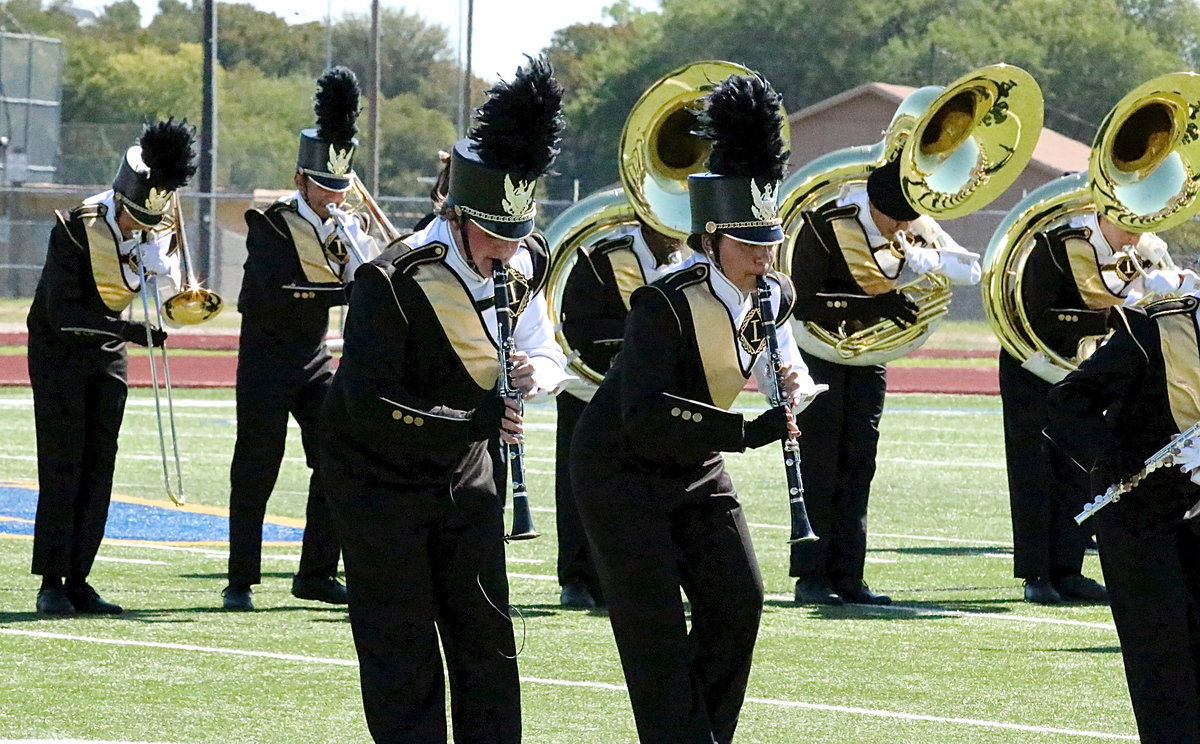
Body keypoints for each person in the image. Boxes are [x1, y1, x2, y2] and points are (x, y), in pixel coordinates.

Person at [320, 57, 570, 742]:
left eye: (517, 235)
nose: (507, 250)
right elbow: (369, 403)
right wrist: (473, 416)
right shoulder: (391, 279)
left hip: (467, 474)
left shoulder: (524, 259)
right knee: (402, 653)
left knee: (488, 640)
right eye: (493, 234)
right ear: (454, 214)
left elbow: (551, 354)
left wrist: (531, 378)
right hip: (379, 483)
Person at [571, 72, 819, 743]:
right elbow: (643, 411)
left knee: (740, 600)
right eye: (749, 242)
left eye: (771, 241)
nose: (765, 255)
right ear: (710, 239)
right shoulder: (663, 304)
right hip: (620, 471)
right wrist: (743, 431)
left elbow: (775, 359)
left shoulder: (777, 291)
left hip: (696, 465)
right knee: (652, 628)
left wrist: (792, 389)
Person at [788, 157, 980, 606]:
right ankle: (811, 577)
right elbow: (805, 301)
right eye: (895, 219)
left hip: (870, 357)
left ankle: (849, 575)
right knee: (819, 464)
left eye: (909, 219)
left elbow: (971, 271)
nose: (902, 227)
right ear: (874, 205)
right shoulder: (827, 223)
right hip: (820, 355)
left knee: (860, 463)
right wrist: (874, 307)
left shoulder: (914, 222)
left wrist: (928, 255)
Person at [222, 67, 378, 612]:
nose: (333, 196)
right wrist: (347, 285)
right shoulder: (271, 225)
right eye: (324, 185)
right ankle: (240, 578)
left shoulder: (344, 228)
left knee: (338, 454)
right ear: (300, 180)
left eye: (340, 186)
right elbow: (275, 294)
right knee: (257, 465)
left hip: (314, 361)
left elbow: (368, 289)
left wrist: (364, 259)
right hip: (266, 361)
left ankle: (315, 572)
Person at [27, 119, 196, 616]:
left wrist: (170, 294)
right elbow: (61, 314)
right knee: (64, 466)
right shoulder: (76, 228)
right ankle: (51, 581)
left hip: (106, 359)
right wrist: (130, 332)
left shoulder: (145, 231)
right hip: (60, 357)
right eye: (134, 219)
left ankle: (80, 577)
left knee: (100, 467)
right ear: (120, 200)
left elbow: (159, 293)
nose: (139, 228)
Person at [1001, 204, 1191, 604]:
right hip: (1035, 365)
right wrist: (1117, 316)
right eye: (1128, 226)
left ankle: (1069, 569)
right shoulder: (1056, 247)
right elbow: (1039, 314)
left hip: (1095, 370)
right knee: (1034, 468)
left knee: (1081, 465)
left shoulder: (1146, 249)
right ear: (1104, 214)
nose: (1135, 237)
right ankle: (1036, 572)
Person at [1046, 294, 1200, 743]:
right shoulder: (1156, 332)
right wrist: (1116, 459)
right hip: (1138, 513)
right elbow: (1067, 402)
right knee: (1163, 652)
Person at [555, 215, 686, 608]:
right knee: (578, 485)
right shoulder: (602, 257)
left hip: (653, 395)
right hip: (591, 388)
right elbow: (578, 327)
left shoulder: (690, 264)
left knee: (651, 487)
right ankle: (577, 578)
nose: (678, 231)